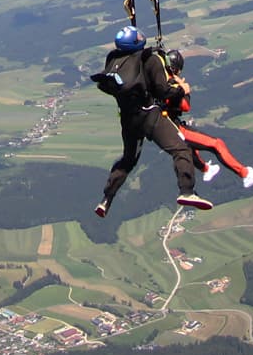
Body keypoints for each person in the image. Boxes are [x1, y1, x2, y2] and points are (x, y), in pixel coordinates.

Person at [90, 25, 212, 216]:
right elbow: (164, 92)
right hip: (149, 115)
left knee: (128, 159)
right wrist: (183, 89)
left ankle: (106, 199)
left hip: (128, 120)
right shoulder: (150, 59)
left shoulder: (112, 59)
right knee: (181, 149)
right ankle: (187, 191)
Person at [164, 52, 253, 190]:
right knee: (216, 144)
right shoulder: (171, 85)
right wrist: (185, 91)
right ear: (176, 69)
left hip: (166, 128)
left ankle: (206, 169)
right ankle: (245, 174)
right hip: (174, 127)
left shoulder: (159, 81)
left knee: (189, 147)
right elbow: (185, 106)